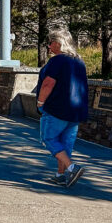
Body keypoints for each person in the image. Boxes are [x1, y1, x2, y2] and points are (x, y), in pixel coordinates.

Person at [36, 27, 89, 187]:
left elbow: (48, 83)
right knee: (66, 143)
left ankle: (72, 168)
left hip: (57, 108)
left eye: (51, 43)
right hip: (75, 110)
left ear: (59, 43)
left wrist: (40, 102)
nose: (49, 46)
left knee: (49, 138)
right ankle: (60, 175)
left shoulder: (58, 60)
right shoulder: (79, 61)